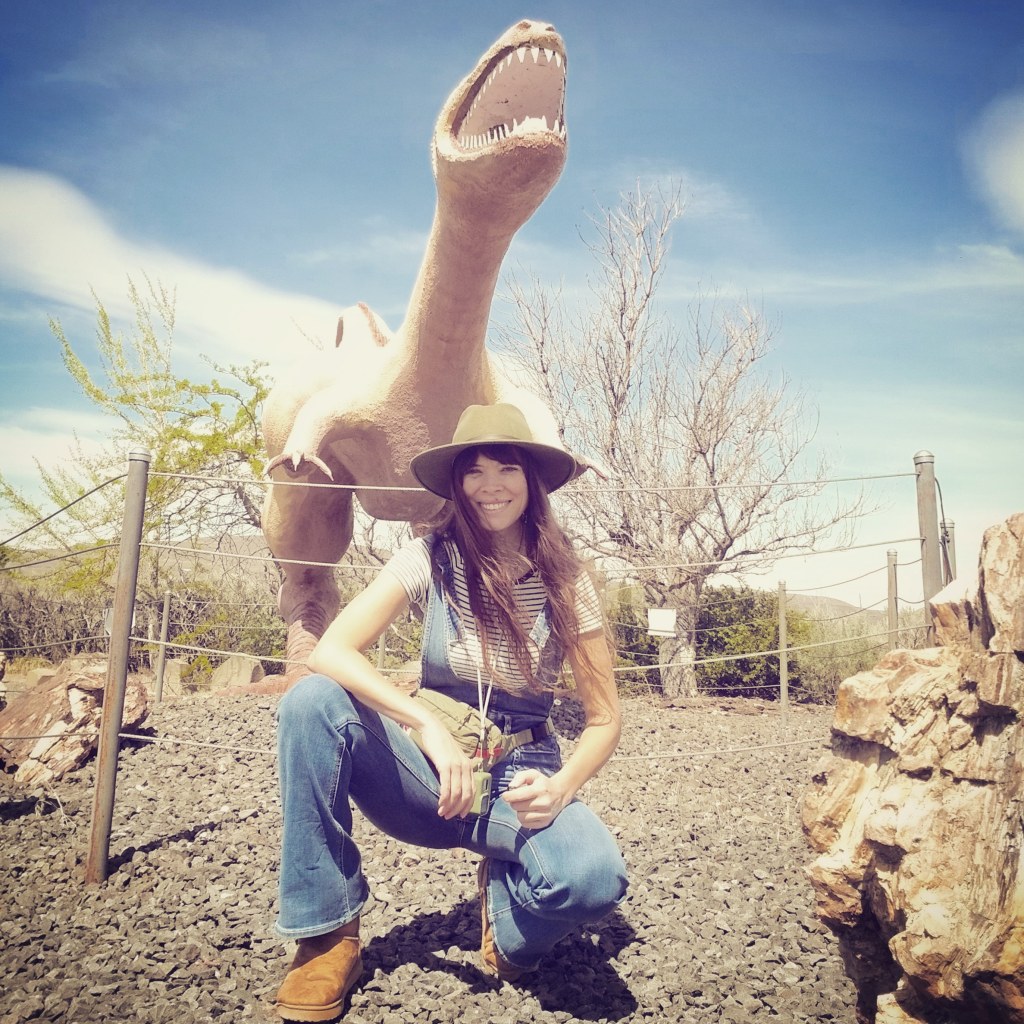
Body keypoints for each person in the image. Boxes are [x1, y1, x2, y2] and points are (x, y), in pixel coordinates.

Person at [273, 402, 628, 1022]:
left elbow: (604, 719)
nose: (491, 486)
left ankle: (509, 925)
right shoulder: (429, 557)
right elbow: (331, 650)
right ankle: (327, 937)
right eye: (474, 470)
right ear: (457, 483)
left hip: (520, 774)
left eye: (507, 468)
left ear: (532, 480)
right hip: (429, 777)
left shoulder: (568, 582)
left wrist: (561, 787)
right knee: (311, 701)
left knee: (594, 881)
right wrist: (425, 724)